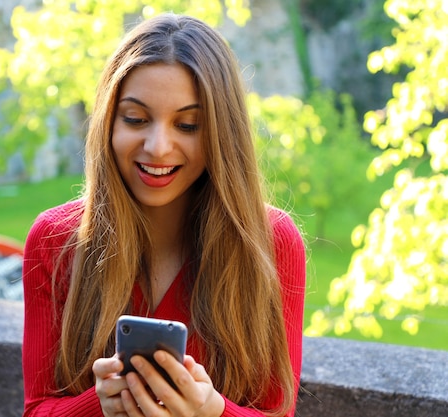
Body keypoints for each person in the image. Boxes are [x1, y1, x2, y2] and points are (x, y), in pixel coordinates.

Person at [22, 13, 306, 417]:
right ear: (108, 123)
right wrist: (100, 405)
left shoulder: (271, 242)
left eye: (188, 125)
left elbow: (279, 410)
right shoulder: (55, 239)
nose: (157, 146)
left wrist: (213, 411)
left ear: (222, 134)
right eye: (135, 119)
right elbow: (35, 409)